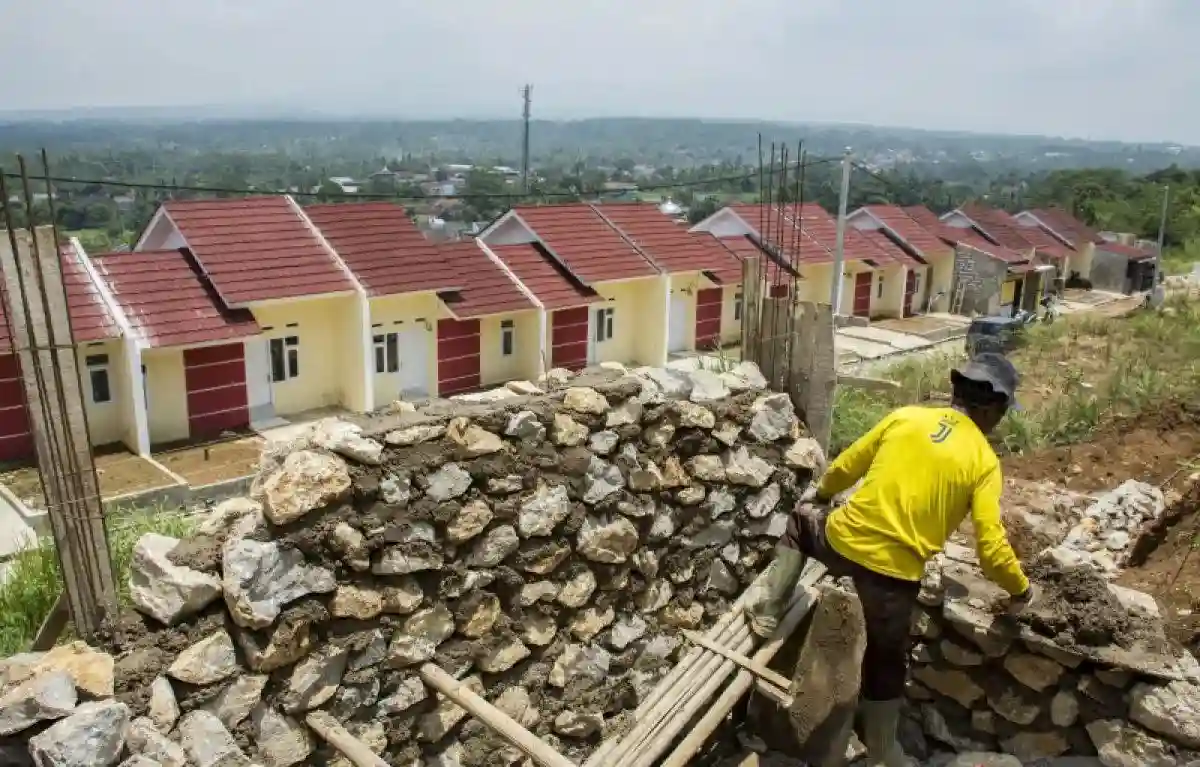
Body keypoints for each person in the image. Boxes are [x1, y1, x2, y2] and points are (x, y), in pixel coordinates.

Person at [746, 352, 1038, 767]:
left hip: (841, 543)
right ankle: (884, 749)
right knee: (886, 664)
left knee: (801, 522)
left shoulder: (905, 417)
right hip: (893, 580)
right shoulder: (984, 462)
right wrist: (1021, 590)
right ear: (992, 408)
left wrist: (824, 496)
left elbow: (846, 465)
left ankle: (767, 613)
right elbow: (991, 549)